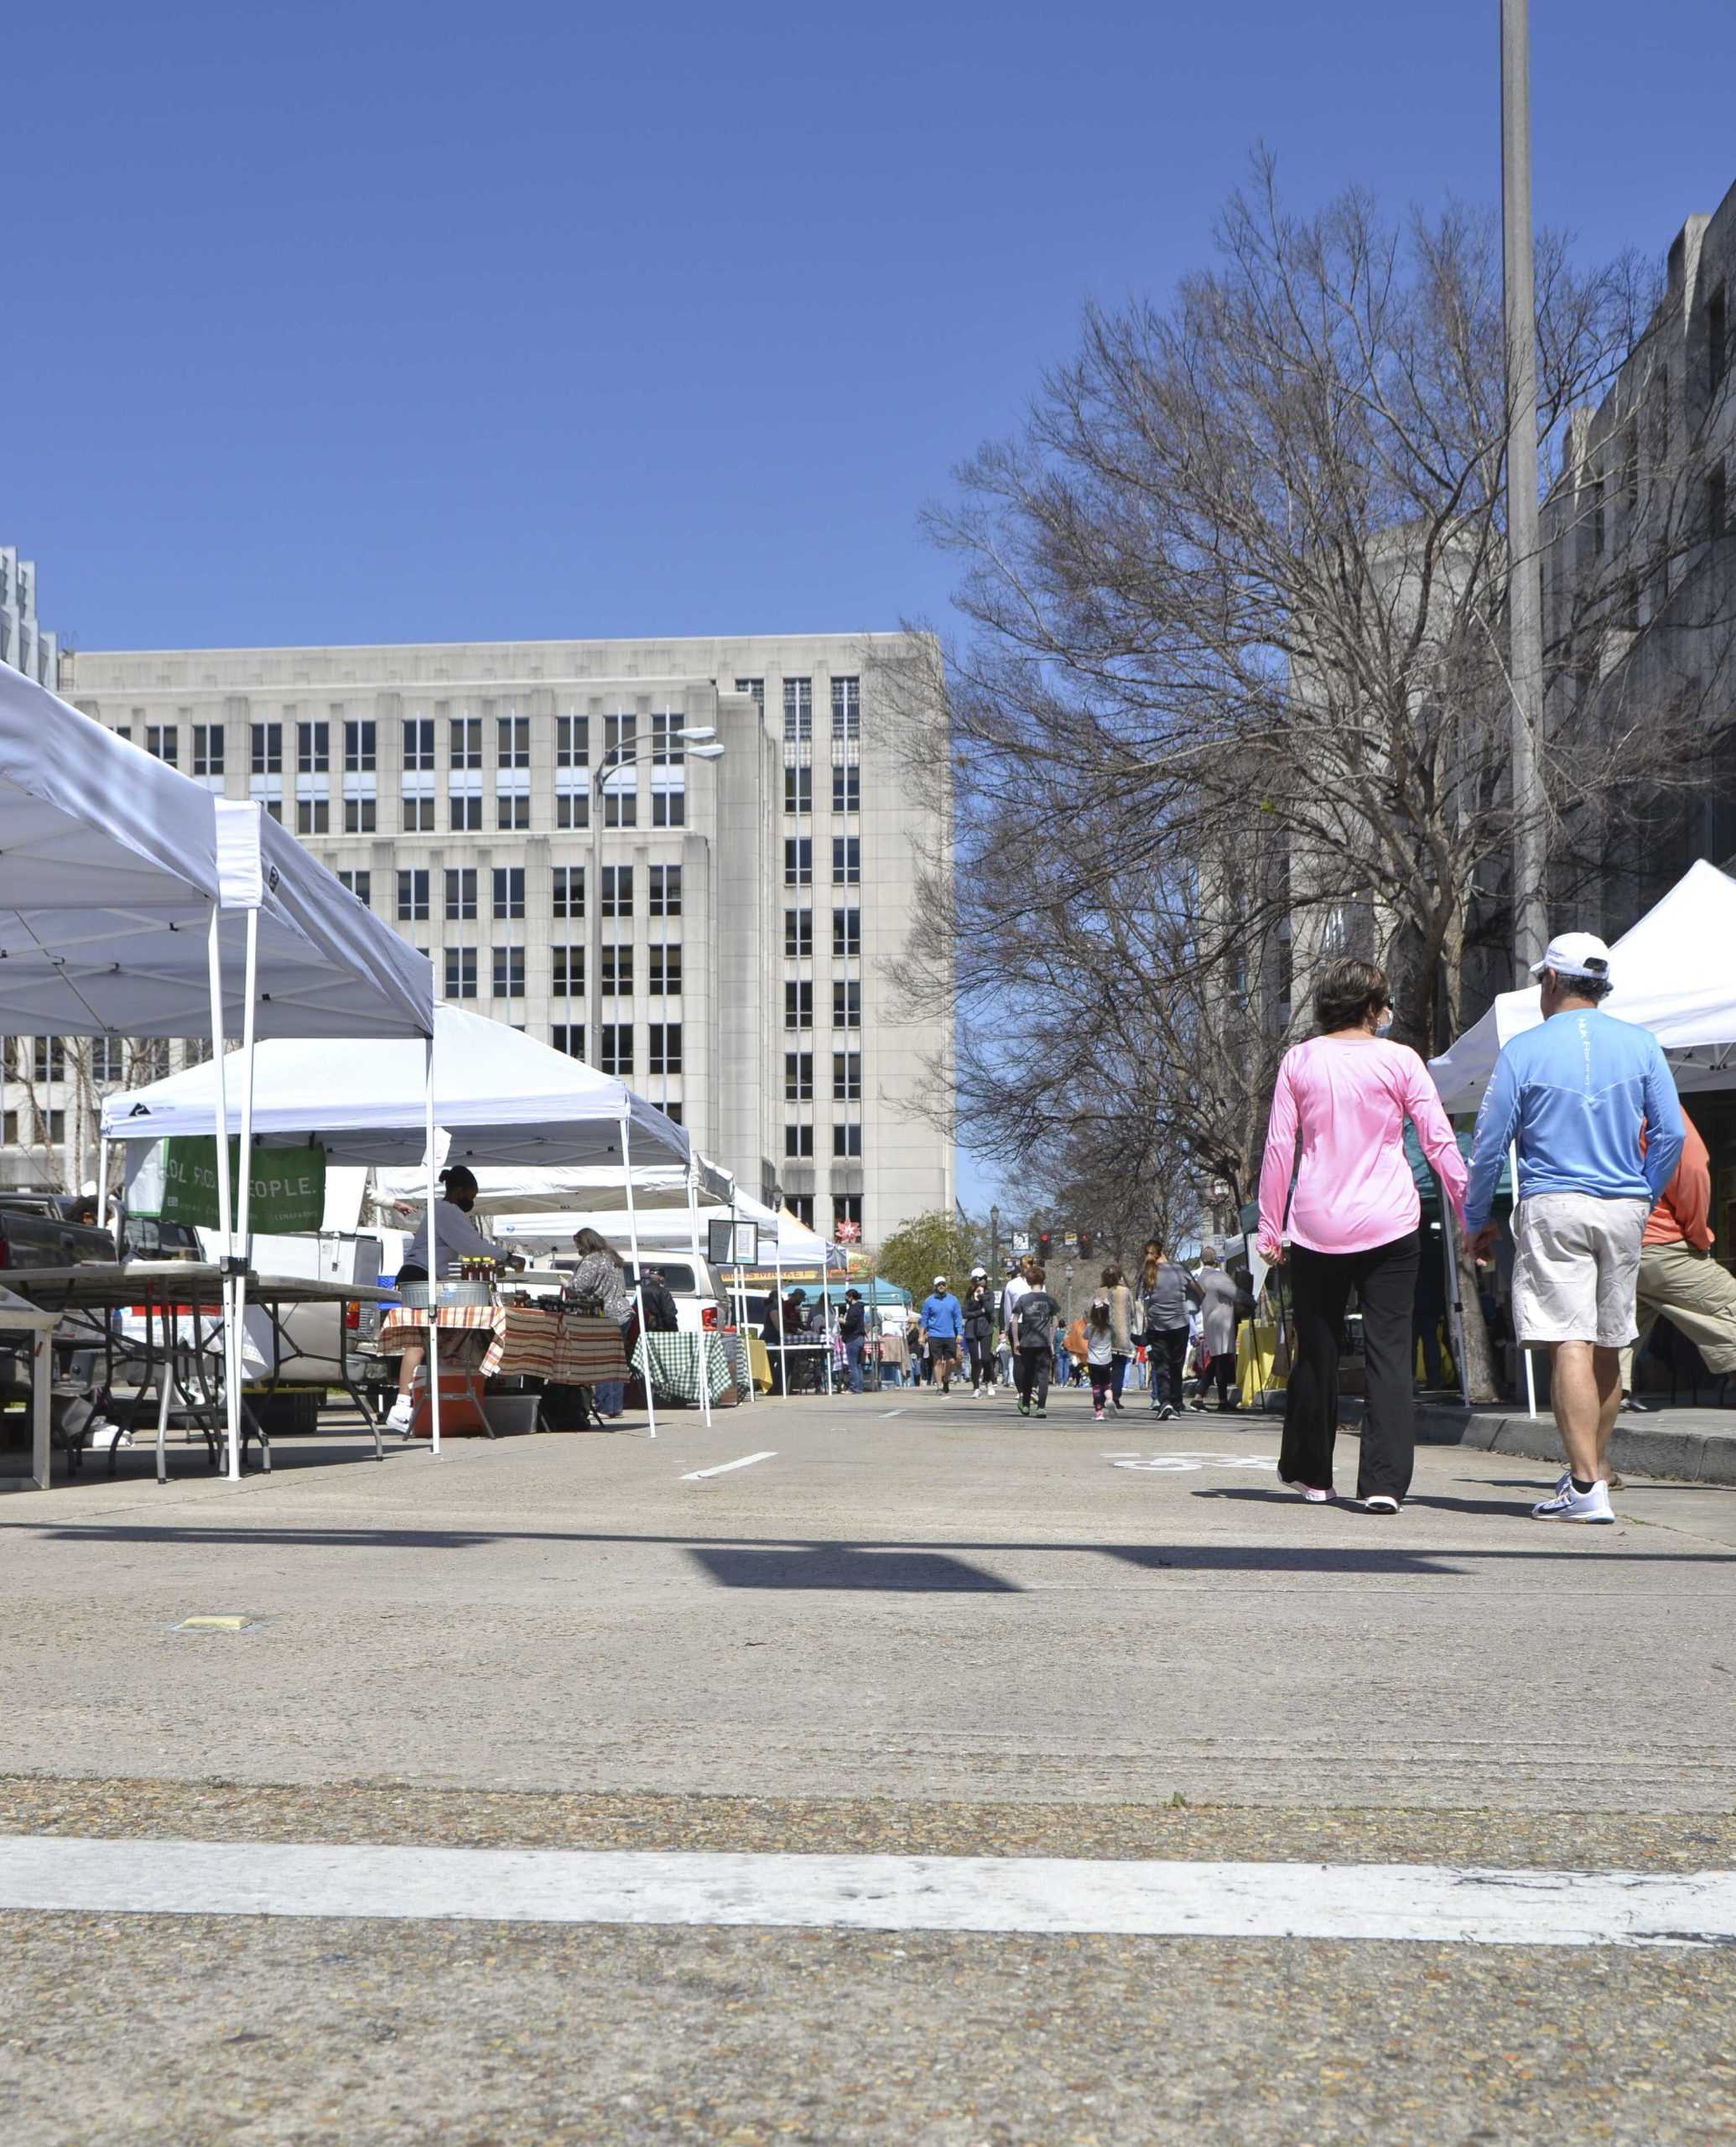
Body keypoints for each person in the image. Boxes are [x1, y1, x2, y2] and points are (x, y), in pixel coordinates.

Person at [1466, 932, 1685, 1521]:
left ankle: (1587, 1486)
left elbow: (1489, 1147)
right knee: (1612, 1338)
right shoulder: (1641, 1045)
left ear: (1554, 981)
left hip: (1555, 1202)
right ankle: (1593, 1473)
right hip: (1623, 1205)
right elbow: (1672, 1135)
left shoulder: (1526, 1048)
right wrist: (1644, 1191)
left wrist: (1475, 1218)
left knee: (1569, 1337)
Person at [1258, 956, 1468, 1512]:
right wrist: (1469, 1213)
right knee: (1390, 1352)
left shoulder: (1299, 1060)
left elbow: (1281, 1145)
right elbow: (1438, 1139)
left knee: (1318, 1350)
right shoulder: (1401, 1061)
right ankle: (1382, 1485)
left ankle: (1312, 1475)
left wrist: (1269, 1224)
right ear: (1375, 1008)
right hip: (1391, 1221)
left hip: (1316, 1222)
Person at [1621, 1107, 1736, 1405]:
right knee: (1726, 1302)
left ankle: (1610, 1391)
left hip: (1612, 1239)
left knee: (1622, 1325)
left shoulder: (1597, 1105)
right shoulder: (1655, 1103)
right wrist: (1697, 1232)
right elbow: (1693, 1167)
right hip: (1660, 1238)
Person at [387, 1166, 500, 1434]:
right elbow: (472, 1247)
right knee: (418, 1341)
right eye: (470, 1195)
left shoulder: (442, 1211)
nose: (470, 1202)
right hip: (419, 1276)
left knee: (424, 1340)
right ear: (459, 1191)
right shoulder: (446, 1211)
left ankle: (407, 1404)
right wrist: (505, 1256)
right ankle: (402, 1407)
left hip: (423, 1276)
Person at [568, 1225, 637, 1417]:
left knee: (602, 1361)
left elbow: (579, 1286)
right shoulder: (611, 1257)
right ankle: (614, 1406)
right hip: (623, 1312)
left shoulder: (593, 1260)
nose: (578, 1250)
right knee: (615, 1361)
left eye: (578, 1246)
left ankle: (605, 1406)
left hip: (606, 1314)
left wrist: (567, 1284)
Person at [1139, 1239, 1200, 1422]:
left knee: (1161, 1366)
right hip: (1180, 1324)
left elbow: (1143, 1301)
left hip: (1157, 1325)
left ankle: (1164, 1402)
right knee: (1176, 1365)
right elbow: (1199, 1292)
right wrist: (1191, 1308)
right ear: (1163, 1251)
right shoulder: (1179, 1270)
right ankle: (1176, 1403)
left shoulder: (1147, 1274)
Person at [1192, 1247, 1246, 1412]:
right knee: (1221, 1360)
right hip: (1223, 1322)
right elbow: (1237, 1294)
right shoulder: (1218, 1276)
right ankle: (1222, 1400)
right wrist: (1251, 1300)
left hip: (1210, 1320)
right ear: (1215, 1260)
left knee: (1216, 1360)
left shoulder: (1200, 1278)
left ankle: (1199, 1397)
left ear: (1202, 1260)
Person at [1011, 1263, 1063, 1417]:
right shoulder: (1050, 1300)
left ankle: (1026, 1405)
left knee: (1028, 1373)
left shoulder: (1023, 1299)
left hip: (1027, 1342)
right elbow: (1055, 1320)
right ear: (1043, 1281)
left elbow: (1014, 1319)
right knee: (1043, 1376)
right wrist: (1051, 1340)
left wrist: (1016, 1341)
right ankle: (1041, 1407)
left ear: (1028, 1281)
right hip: (1043, 1342)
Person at [919, 1274, 964, 1394]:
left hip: (950, 1335)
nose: (941, 1286)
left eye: (943, 1284)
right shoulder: (929, 1301)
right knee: (937, 1361)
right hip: (935, 1335)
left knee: (951, 1361)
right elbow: (924, 1320)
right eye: (939, 1284)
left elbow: (958, 1318)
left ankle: (946, 1379)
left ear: (946, 1286)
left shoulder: (953, 1300)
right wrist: (921, 1335)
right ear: (935, 1286)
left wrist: (959, 1333)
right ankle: (939, 1385)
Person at [1103, 1264, 1137, 1411]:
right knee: (1119, 1367)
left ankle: (1103, 1394)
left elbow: (1091, 1313)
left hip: (1104, 1334)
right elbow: (1133, 1312)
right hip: (1122, 1334)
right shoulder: (1126, 1292)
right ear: (1119, 1277)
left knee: (1103, 1366)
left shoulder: (1100, 1292)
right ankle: (1115, 1397)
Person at [961, 1268, 996, 1395]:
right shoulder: (969, 1295)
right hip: (971, 1330)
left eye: (985, 1279)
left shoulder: (989, 1294)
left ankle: (988, 1381)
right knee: (975, 1360)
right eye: (980, 1279)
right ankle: (976, 1387)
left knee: (986, 1358)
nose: (983, 1282)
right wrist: (978, 1311)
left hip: (986, 1328)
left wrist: (982, 1297)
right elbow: (965, 1313)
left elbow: (989, 1309)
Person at [1085, 1294, 1115, 1422]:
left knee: (1096, 1387)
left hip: (1093, 1361)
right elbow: (1114, 1339)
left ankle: (1099, 1413)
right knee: (1107, 1385)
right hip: (1106, 1361)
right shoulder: (1110, 1328)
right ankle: (1110, 1399)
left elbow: (1084, 1337)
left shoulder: (1091, 1328)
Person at [839, 1287, 869, 1394]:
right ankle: (859, 1387)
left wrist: (842, 1320)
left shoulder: (854, 1309)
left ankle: (854, 1388)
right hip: (859, 1338)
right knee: (858, 1365)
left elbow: (851, 1324)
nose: (845, 1299)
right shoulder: (860, 1308)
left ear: (851, 1297)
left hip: (853, 1338)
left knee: (853, 1365)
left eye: (846, 1297)